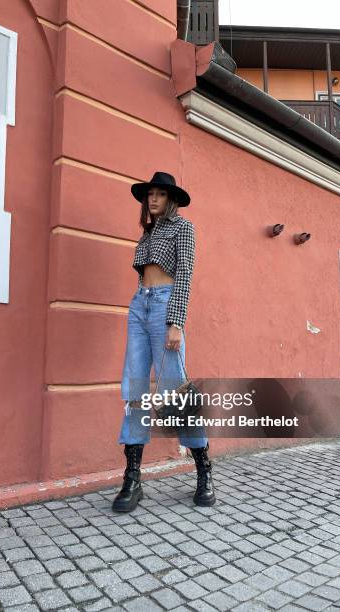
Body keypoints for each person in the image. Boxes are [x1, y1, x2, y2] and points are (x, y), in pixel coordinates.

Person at [112, 172, 216, 513]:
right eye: (150, 195)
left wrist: (176, 322)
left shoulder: (182, 228)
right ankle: (132, 478)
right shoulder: (148, 232)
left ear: (170, 199)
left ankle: (203, 472)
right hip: (139, 305)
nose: (152, 199)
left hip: (164, 305)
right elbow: (144, 274)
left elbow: (184, 273)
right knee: (135, 388)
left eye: (159, 194)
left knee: (175, 391)